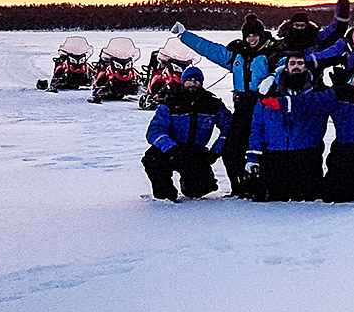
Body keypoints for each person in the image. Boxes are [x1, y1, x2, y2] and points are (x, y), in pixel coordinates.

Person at [170, 14, 274, 197]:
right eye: (249, 35)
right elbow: (209, 49)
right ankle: (240, 188)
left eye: (255, 35)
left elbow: (286, 65)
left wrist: (274, 77)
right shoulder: (236, 55)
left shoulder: (271, 53)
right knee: (231, 150)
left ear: (261, 35)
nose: (252, 39)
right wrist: (184, 35)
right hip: (242, 107)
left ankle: (261, 187)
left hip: (263, 107)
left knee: (261, 148)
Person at [277, 56, 354, 204]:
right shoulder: (342, 93)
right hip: (345, 153)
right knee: (334, 196)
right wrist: (284, 103)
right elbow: (313, 101)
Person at [246, 49, 334, 202]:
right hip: (276, 154)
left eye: (300, 63)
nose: (296, 67)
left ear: (306, 67)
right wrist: (253, 156)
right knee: (272, 198)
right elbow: (258, 126)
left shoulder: (319, 92)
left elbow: (328, 104)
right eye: (292, 63)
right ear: (285, 68)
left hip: (306, 155)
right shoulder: (269, 92)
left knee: (308, 197)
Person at [142, 66, 230, 202]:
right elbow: (155, 130)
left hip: (196, 152)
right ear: (183, 82)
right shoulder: (171, 102)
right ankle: (165, 196)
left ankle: (191, 183)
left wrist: (215, 151)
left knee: (200, 189)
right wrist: (170, 148)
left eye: (196, 81)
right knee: (152, 159)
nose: (193, 84)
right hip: (172, 150)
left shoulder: (212, 103)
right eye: (189, 80)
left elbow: (229, 128)